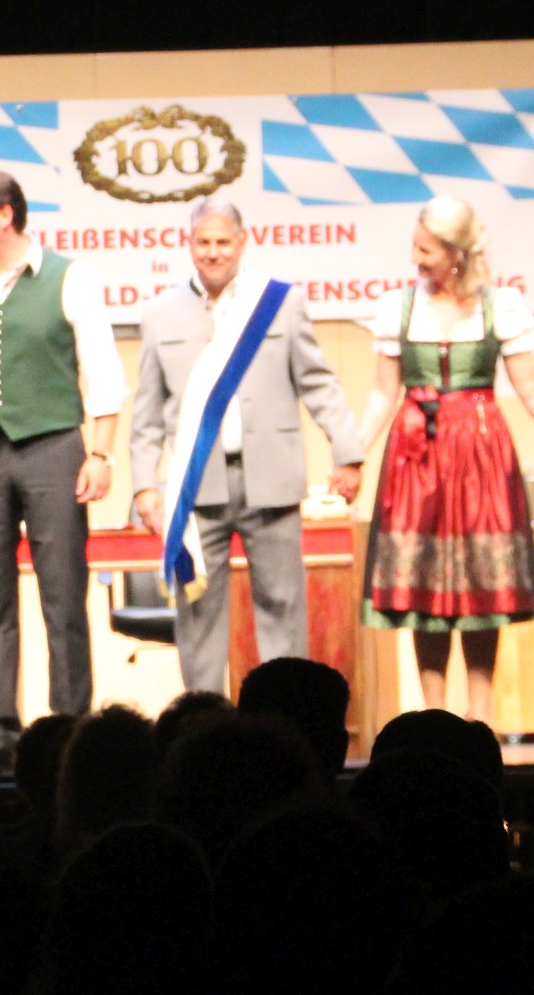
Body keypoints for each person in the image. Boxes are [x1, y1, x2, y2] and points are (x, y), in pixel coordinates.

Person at [0, 170, 127, 779]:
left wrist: (101, 454)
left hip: (53, 448)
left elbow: (103, 371)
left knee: (63, 597)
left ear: (3, 216)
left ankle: (70, 733)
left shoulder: (69, 277)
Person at [128, 199, 363, 695]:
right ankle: (204, 723)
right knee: (198, 616)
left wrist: (347, 451)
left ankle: (284, 719)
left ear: (242, 242)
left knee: (282, 607)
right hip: (198, 488)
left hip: (271, 480)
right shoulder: (160, 314)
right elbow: (147, 410)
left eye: (222, 242)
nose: (213, 253)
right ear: (189, 244)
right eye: (203, 242)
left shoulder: (280, 302)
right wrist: (145, 484)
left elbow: (318, 383)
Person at [360, 196, 534, 724]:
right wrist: (351, 455)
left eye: (427, 250)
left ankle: (481, 713)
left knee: (482, 580)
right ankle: (433, 714)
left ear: (457, 253)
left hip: (480, 450)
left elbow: (532, 388)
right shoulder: (398, 307)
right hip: (416, 454)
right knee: (423, 580)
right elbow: (382, 393)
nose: (416, 259)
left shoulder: (500, 305)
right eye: (416, 247)